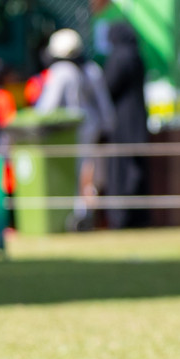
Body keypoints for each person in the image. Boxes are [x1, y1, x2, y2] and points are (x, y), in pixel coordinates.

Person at [36, 29, 116, 229]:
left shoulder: (61, 71)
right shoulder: (91, 69)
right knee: (90, 174)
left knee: (78, 175)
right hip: (91, 129)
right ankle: (85, 214)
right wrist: (106, 128)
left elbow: (47, 108)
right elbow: (105, 108)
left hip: (67, 134)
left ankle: (78, 217)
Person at [102, 21, 150, 230]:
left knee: (121, 172)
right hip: (138, 121)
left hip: (122, 124)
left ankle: (121, 218)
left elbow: (108, 87)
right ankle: (137, 217)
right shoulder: (136, 55)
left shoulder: (119, 57)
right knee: (136, 170)